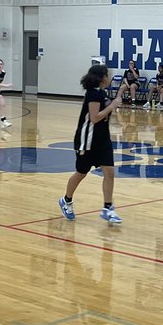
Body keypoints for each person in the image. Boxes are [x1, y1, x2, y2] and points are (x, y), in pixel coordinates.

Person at [59, 64, 123, 224]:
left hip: (103, 139)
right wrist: (112, 106)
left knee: (109, 172)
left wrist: (117, 99)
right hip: (87, 140)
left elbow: (106, 111)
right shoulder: (93, 94)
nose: (109, 77)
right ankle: (66, 200)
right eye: (107, 75)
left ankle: (108, 208)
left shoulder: (102, 93)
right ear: (101, 78)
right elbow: (94, 118)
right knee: (81, 172)